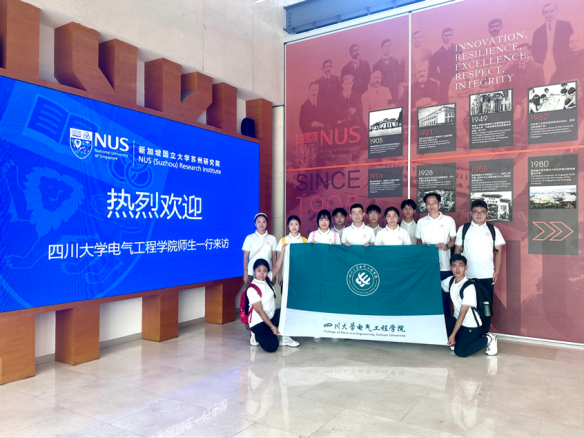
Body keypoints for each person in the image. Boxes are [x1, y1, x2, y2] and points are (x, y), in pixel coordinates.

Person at [454, 200, 506, 333]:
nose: (479, 215)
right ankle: (468, 334)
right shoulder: (463, 229)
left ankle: (484, 335)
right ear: (471, 213)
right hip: (467, 276)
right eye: (476, 212)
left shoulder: (493, 230)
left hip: (486, 275)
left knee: (486, 308)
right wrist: (457, 270)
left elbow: (499, 252)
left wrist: (497, 271)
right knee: (466, 307)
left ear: (487, 213)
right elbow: (457, 250)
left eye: (482, 212)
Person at [442, 255, 498, 357]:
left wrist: (453, 335)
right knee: (442, 322)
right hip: (458, 322)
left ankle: (489, 339)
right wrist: (434, 268)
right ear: (450, 268)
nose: (457, 269)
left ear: (466, 267)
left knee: (460, 352)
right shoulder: (450, 281)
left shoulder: (469, 287)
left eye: (461, 265)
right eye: (454, 266)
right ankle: (457, 340)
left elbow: (462, 314)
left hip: (471, 325)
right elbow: (435, 284)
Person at [416, 192, 457, 317]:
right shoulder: (421, 222)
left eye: (434, 203)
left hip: (444, 265)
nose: (431, 206)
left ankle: (446, 323)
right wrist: (422, 247)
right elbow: (418, 241)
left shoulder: (449, 220)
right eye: (428, 203)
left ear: (439, 204)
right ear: (425, 205)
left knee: (445, 296)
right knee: (428, 294)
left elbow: (453, 240)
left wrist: (446, 246)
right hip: (427, 266)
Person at [246, 259, 300, 352]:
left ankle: (284, 337)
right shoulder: (252, 289)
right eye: (259, 270)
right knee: (272, 347)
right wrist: (272, 327)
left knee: (288, 312)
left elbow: (277, 267)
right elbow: (260, 311)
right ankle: (256, 336)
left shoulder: (267, 279)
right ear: (254, 271)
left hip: (271, 316)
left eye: (264, 270)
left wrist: (283, 251)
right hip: (258, 322)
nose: (261, 273)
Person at [241, 213, 278, 346]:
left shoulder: (272, 238)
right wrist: (246, 272)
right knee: (251, 302)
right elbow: (246, 257)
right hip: (253, 273)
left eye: (263, 222)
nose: (261, 224)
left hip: (266, 274)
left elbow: (274, 257)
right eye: (258, 222)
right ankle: (252, 330)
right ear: (255, 224)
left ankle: (266, 325)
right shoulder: (249, 238)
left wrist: (275, 275)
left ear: (267, 224)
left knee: (267, 299)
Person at [531, 2, 574, 82]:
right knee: (546, 82)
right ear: (543, 14)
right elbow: (534, 50)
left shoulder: (566, 25)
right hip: (544, 62)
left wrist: (567, 60)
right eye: (546, 12)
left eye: (552, 11)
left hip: (563, 61)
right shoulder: (538, 32)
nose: (549, 14)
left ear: (557, 11)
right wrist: (540, 62)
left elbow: (571, 43)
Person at [275, 215, 307, 285]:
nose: (294, 226)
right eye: (291, 224)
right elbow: (280, 260)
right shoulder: (283, 240)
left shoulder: (305, 241)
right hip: (285, 274)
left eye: (296, 224)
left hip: (300, 274)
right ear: (288, 226)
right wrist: (279, 276)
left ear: (299, 225)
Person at [372, 38, 404, 103]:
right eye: (385, 46)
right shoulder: (376, 65)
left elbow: (400, 79)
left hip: (395, 93)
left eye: (389, 46)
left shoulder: (395, 61)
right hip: (382, 94)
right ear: (382, 48)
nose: (388, 48)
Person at [430, 27, 457, 102]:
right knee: (447, 101)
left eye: (450, 35)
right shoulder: (437, 53)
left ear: (452, 35)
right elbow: (432, 71)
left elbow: (462, 63)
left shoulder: (458, 48)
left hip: (458, 80)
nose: (448, 37)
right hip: (445, 83)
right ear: (442, 37)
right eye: (446, 35)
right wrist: (442, 78)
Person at [317, 59, 341, 128]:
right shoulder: (318, 82)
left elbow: (339, 94)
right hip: (324, 111)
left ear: (331, 67)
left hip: (334, 110)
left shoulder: (336, 79)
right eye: (326, 67)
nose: (328, 69)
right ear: (323, 68)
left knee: (335, 129)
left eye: (329, 66)